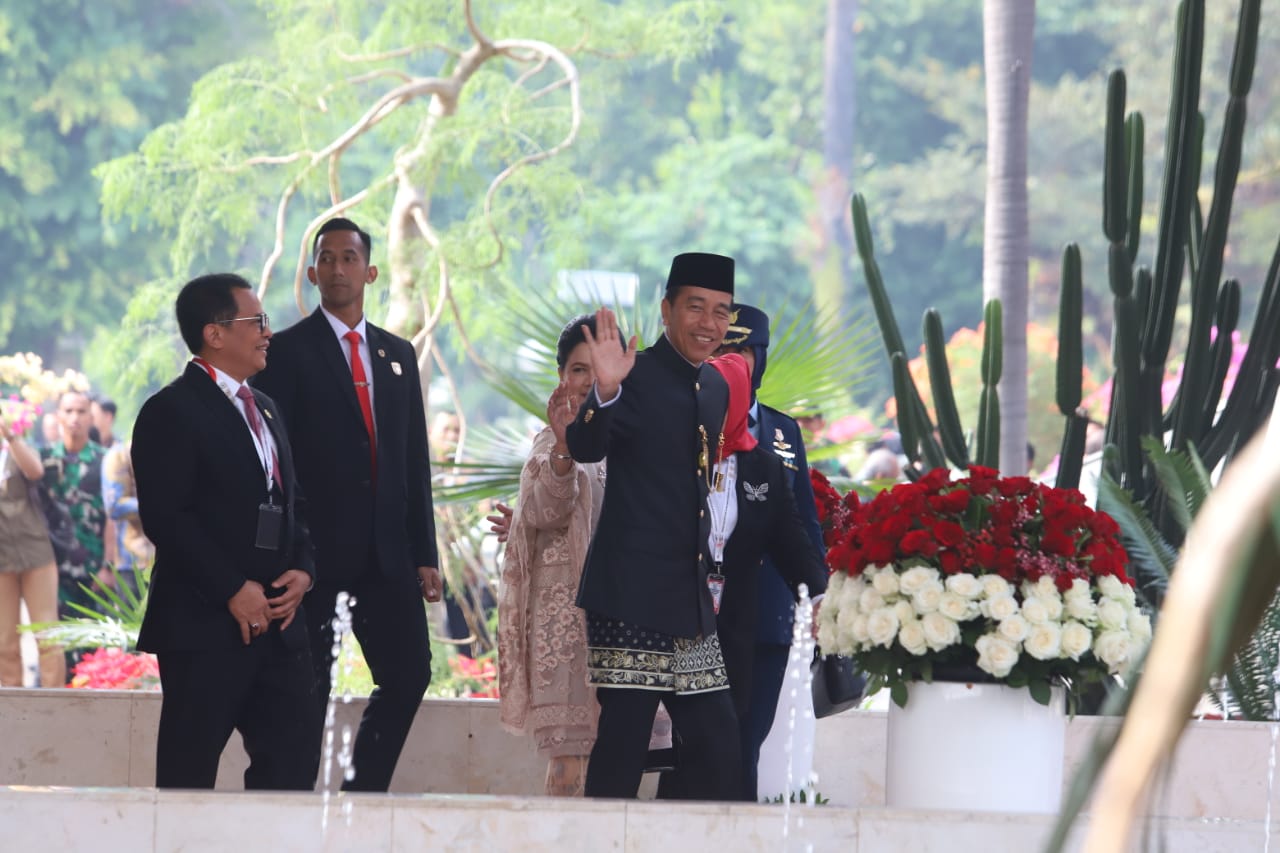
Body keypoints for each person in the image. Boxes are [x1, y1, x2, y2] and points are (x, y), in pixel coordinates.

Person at [251, 216, 443, 793]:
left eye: (349, 257)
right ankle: (294, 809)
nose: (337, 268)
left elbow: (414, 460)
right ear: (311, 273)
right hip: (312, 559)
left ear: (371, 270)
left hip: (388, 556)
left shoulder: (397, 355)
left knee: (409, 675)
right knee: (308, 692)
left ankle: (364, 796)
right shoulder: (282, 353)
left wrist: (425, 552)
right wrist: (288, 551)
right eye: (327, 259)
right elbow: (276, 466)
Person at [132, 272, 317, 789]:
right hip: (204, 627)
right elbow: (167, 519)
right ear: (214, 333)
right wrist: (233, 590)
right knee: (187, 779)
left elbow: (293, 503)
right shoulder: (169, 410)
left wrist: (303, 569)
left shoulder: (268, 409)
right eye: (255, 320)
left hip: (279, 627)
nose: (267, 331)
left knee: (291, 772)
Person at [567, 251, 740, 800]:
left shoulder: (714, 389)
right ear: (666, 310)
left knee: (722, 750)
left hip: (688, 602)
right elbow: (584, 445)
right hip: (629, 595)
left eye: (721, 311)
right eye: (696, 307)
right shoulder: (629, 374)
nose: (709, 324)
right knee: (623, 746)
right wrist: (606, 391)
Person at [713, 304, 827, 798]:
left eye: (740, 350)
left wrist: (820, 597)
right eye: (720, 350)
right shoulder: (687, 425)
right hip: (707, 609)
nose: (731, 361)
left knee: (750, 737)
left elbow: (802, 519)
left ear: (760, 357)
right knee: (710, 739)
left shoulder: (784, 431)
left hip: (770, 610)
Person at [497, 314, 607, 797]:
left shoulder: (637, 436)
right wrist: (565, 447)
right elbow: (543, 509)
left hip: (626, 615)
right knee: (568, 765)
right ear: (562, 375)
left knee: (624, 760)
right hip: (567, 625)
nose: (588, 379)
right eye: (578, 368)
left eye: (599, 366)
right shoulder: (549, 440)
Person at [0, 414, 64, 687]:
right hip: (2, 558)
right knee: (4, 639)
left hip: (35, 551)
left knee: (47, 631)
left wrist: (10, 436)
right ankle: (11, 707)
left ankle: (56, 702)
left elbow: (35, 471)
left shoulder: (17, 448)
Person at [40, 390, 108, 617]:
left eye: (81, 411)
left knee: (94, 648)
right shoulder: (42, 459)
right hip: (50, 569)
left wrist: (108, 567)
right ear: (58, 415)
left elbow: (111, 517)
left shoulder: (105, 461)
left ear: (92, 417)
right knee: (54, 646)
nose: (74, 418)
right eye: (68, 411)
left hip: (93, 569)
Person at [101, 438, 154, 598]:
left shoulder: (180, 451)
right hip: (132, 563)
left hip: (174, 559)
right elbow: (114, 506)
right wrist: (160, 504)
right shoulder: (120, 455)